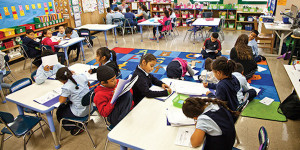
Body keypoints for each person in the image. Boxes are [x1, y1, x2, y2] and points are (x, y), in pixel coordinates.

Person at [56, 67, 91, 136]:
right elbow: (89, 85)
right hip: (90, 107)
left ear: (62, 81)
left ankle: (75, 127)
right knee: (70, 103)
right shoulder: (81, 76)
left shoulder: (66, 87)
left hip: (81, 112)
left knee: (60, 112)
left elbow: (62, 101)